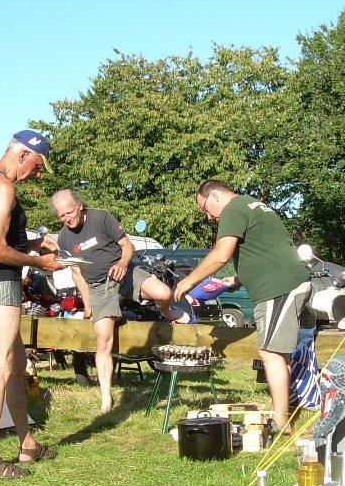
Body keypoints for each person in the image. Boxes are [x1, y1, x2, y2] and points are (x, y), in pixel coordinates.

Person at [174, 180, 311, 431]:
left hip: (278, 288)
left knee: (270, 354)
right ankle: (281, 414)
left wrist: (189, 281)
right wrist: (239, 279)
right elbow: (267, 251)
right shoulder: (252, 205)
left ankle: (280, 422)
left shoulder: (233, 209)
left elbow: (220, 255)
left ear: (214, 196)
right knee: (278, 353)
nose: (209, 217)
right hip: (285, 283)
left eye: (205, 209)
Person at [0, 130, 61, 479]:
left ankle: (27, 443)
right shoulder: (3, 186)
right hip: (0, 283)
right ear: (22, 155)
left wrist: (33, 244)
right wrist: (41, 263)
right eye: (36, 166)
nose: (37, 174)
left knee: (17, 363)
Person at [51, 189, 185, 412]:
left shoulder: (101, 217)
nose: (67, 219)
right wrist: (87, 305)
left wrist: (122, 263)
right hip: (99, 286)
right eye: (61, 215)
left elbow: (128, 246)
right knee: (104, 340)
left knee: (164, 293)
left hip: (125, 273)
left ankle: (166, 312)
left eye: (69, 213)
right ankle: (106, 397)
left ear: (80, 206)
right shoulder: (64, 237)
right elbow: (77, 273)